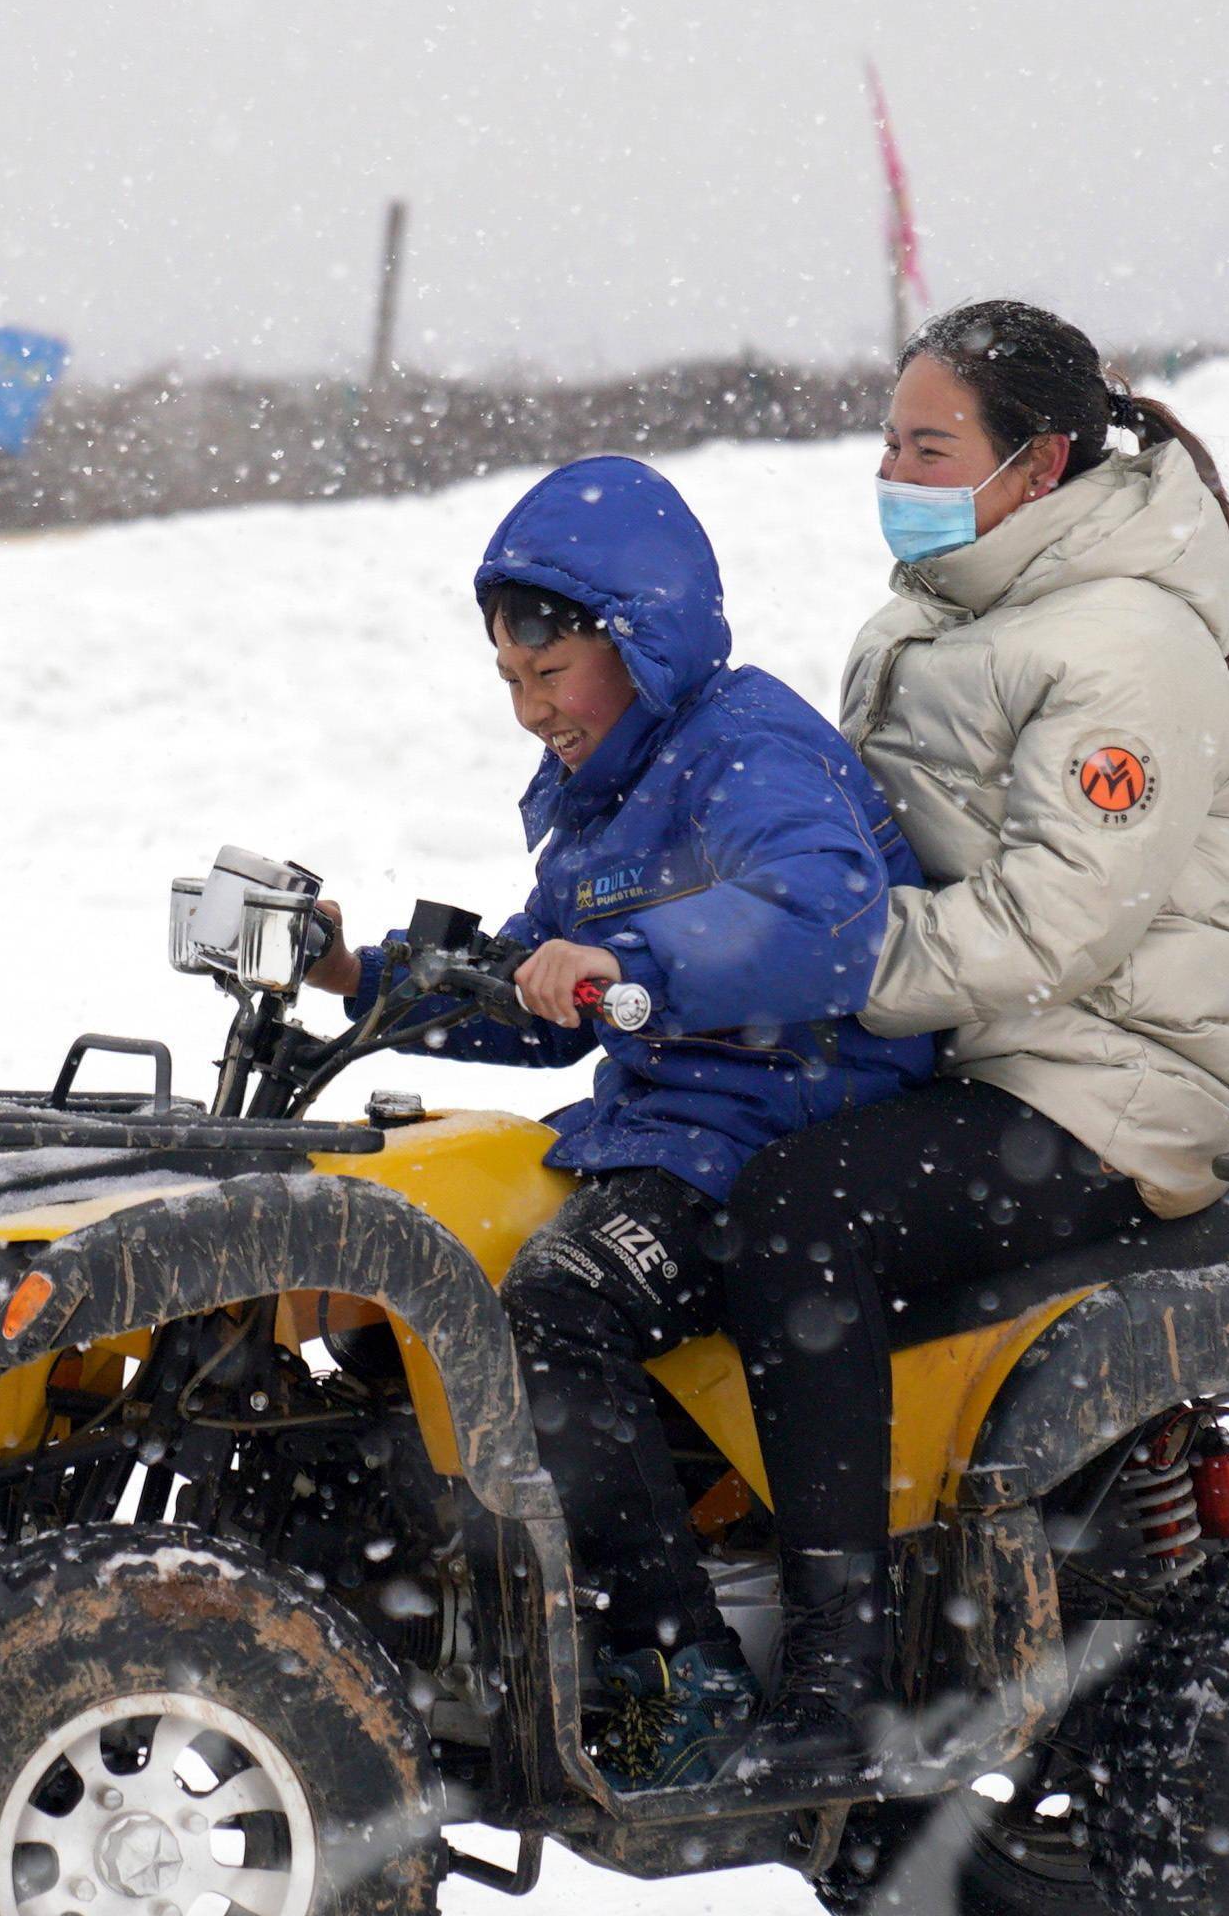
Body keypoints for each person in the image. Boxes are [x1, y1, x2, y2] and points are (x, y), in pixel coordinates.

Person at [705, 300, 1229, 1790]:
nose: (890, 464)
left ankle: (841, 1660)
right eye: (891, 434)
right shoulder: (926, 615)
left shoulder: (1129, 650)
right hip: (967, 1056)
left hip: (1110, 1082)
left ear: (1037, 462)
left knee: (799, 1215)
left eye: (927, 441)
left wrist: (820, 965)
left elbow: (1046, 930)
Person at [304, 454, 935, 1786]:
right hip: (656, 1135)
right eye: (512, 686)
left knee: (556, 1306)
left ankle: (674, 1663)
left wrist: (634, 959)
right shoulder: (606, 798)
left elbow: (822, 925)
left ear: (638, 639)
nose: (533, 711)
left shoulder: (750, 752)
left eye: (550, 677)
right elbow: (532, 993)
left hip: (770, 1133)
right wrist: (361, 978)